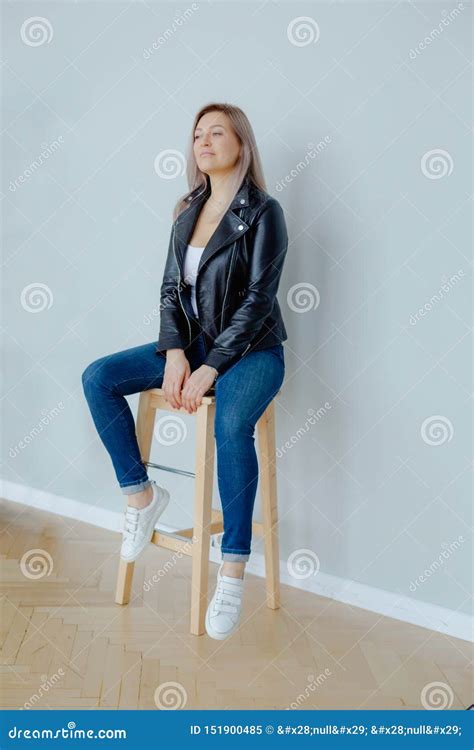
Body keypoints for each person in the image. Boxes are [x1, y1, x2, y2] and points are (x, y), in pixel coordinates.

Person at [82, 102, 288, 640]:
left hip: (255, 351)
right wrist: (176, 353)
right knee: (98, 377)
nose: (204, 140)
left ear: (241, 144)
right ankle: (142, 498)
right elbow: (172, 289)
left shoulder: (265, 213)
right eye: (198, 133)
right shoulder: (186, 208)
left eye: (217, 132)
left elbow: (259, 303)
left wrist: (212, 368)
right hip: (193, 346)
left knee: (230, 425)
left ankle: (235, 569)